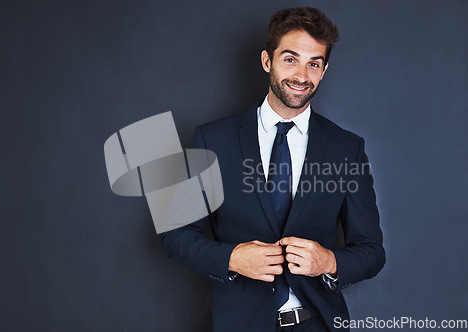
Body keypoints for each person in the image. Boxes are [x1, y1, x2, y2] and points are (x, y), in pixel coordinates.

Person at [160, 7, 385, 332]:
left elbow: (372, 251)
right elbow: (174, 235)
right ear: (268, 60)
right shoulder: (212, 139)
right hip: (241, 324)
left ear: (324, 70)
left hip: (318, 324)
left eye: (314, 64)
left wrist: (329, 262)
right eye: (290, 59)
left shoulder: (347, 148)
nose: (302, 76)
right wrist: (232, 258)